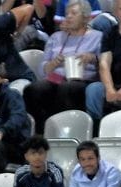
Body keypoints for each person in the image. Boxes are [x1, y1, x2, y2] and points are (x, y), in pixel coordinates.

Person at [24, 0, 104, 133]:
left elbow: (104, 63)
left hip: (82, 80)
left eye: (74, 13)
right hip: (56, 78)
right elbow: (42, 68)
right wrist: (53, 63)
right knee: (33, 89)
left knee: (67, 88)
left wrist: (92, 58)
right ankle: (41, 132)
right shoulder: (56, 37)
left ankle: (66, 131)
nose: (69, 16)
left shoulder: (98, 37)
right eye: (67, 14)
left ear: (85, 17)